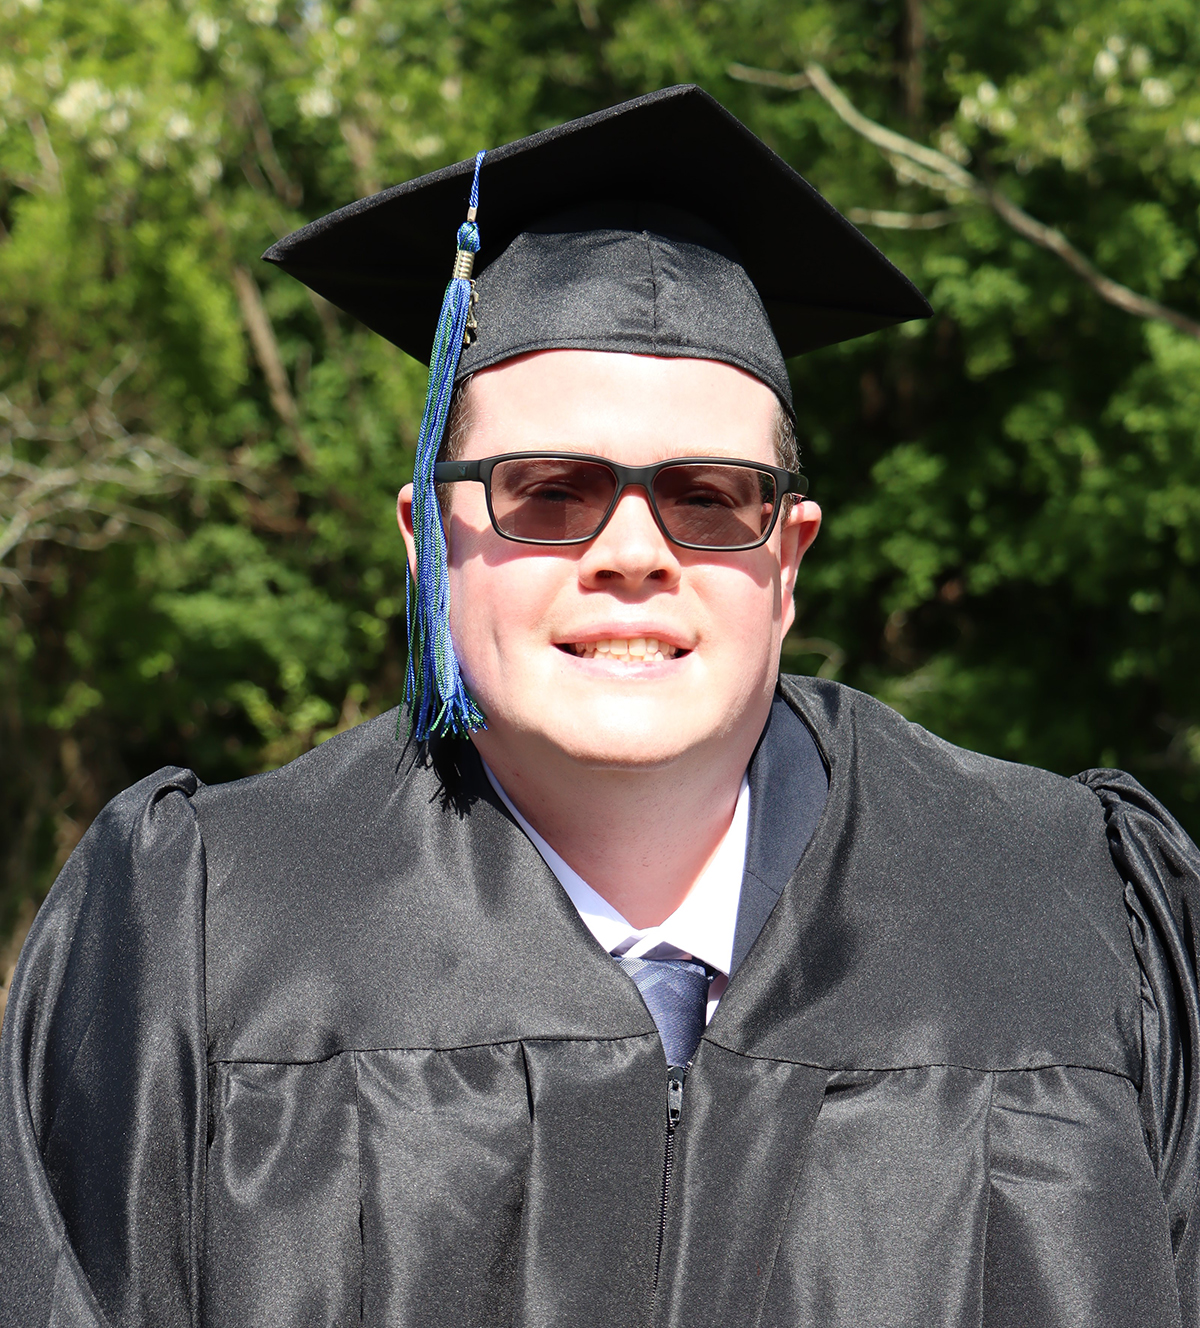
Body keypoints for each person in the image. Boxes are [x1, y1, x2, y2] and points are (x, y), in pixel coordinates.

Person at [3, 84, 1200, 1328]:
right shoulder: (206, 935)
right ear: (430, 541)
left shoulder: (1074, 919)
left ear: (787, 558)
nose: (632, 549)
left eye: (707, 493)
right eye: (550, 489)